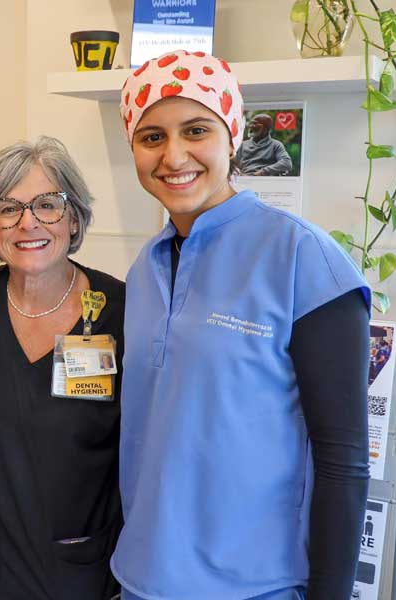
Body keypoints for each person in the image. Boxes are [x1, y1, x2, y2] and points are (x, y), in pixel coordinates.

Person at [113, 50, 371, 599]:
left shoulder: (304, 260)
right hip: (141, 579)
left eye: (196, 130)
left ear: (232, 136)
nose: (173, 155)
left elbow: (343, 460)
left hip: (258, 586)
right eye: (151, 136)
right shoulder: (143, 269)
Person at [0, 136, 124, 600]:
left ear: (74, 216)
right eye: (8, 208)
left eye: (47, 205)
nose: (28, 223)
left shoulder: (121, 309)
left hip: (85, 566)